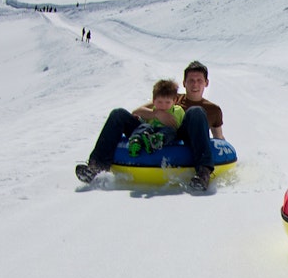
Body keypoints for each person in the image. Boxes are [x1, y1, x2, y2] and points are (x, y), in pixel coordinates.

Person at [76, 61, 224, 190]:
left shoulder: (214, 109)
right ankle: (95, 167)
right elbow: (137, 112)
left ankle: (203, 174)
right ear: (184, 83)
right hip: (153, 130)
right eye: (191, 80)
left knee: (196, 111)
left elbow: (218, 137)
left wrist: (224, 153)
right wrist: (157, 114)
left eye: (199, 80)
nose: (195, 84)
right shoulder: (171, 96)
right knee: (118, 114)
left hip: (180, 135)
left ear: (206, 83)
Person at [126, 79, 184, 156]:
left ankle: (157, 140)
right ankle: (136, 141)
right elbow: (137, 115)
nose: (163, 106)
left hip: (166, 134)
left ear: (174, 101)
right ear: (153, 101)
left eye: (167, 102)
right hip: (150, 132)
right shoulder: (152, 111)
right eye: (160, 102)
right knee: (145, 126)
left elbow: (184, 126)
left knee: (170, 130)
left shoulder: (178, 111)